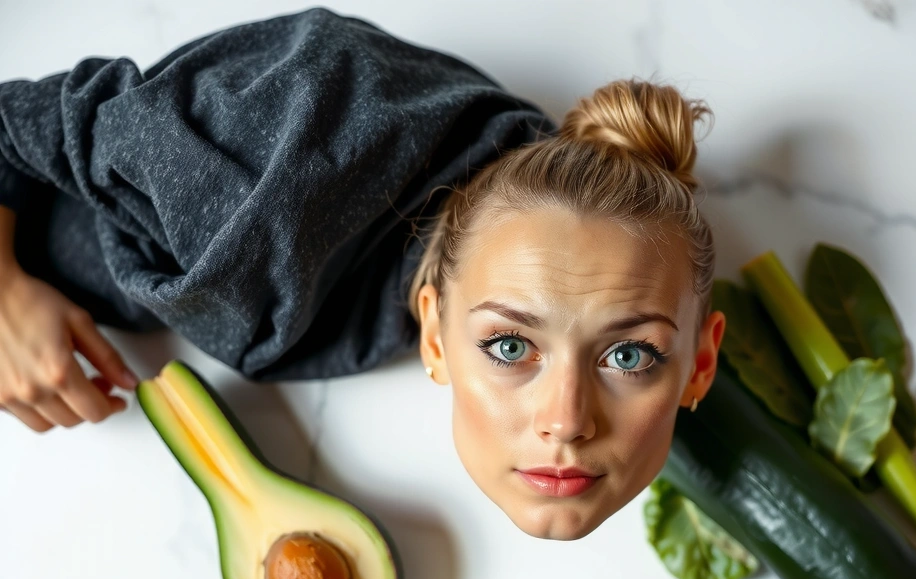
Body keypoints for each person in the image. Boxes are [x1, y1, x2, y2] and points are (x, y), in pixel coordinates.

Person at [0, 6, 724, 540]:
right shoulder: (267, 161)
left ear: (700, 363)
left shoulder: (533, 216)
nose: (566, 422)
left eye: (629, 355)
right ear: (436, 336)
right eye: (510, 346)